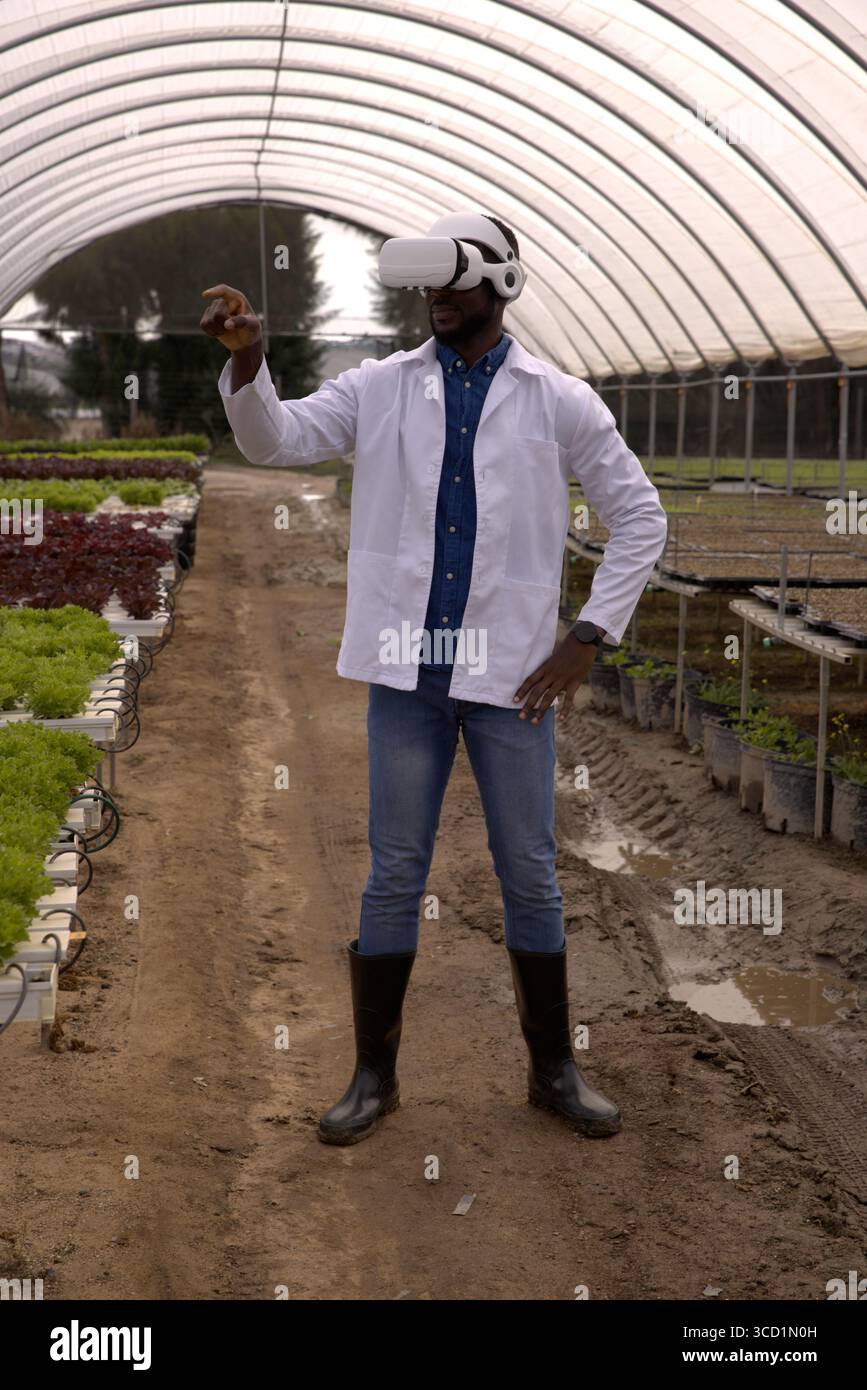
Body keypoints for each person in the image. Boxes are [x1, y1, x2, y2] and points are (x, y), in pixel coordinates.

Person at [201, 211, 668, 1146]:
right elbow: (274, 442)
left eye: (453, 286)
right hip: (408, 677)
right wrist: (251, 362)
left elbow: (641, 518)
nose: (437, 302)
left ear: (500, 286)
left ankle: (552, 1071)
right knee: (394, 872)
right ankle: (374, 1078)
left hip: (512, 680)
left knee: (529, 873)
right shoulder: (382, 386)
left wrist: (586, 636)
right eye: (427, 289)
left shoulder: (559, 400)